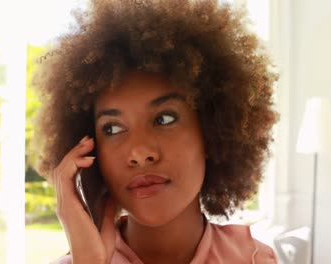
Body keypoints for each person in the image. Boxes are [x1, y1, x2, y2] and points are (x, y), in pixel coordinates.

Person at [34, 0, 279, 263]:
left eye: (164, 119)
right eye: (113, 128)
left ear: (212, 132)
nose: (139, 153)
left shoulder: (255, 259)